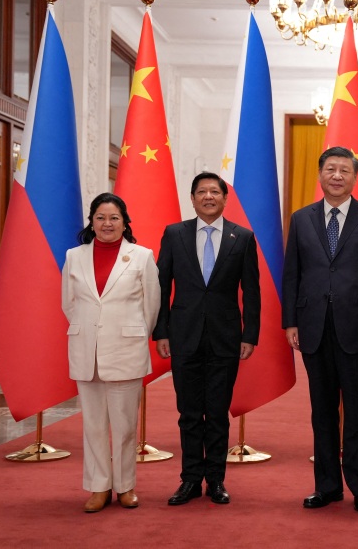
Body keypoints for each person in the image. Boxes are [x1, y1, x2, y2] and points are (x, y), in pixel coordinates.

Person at [282, 146, 358, 513]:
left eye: (344, 170)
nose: (336, 175)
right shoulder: (301, 219)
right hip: (314, 327)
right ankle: (328, 486)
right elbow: (292, 275)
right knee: (322, 412)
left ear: (355, 177)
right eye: (330, 169)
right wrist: (291, 321)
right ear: (320, 175)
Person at [154, 172, 260, 506]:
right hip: (183, 335)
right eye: (202, 191)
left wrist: (250, 335)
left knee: (216, 412)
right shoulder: (175, 234)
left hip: (226, 338)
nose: (209, 196)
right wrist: (161, 331)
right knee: (188, 412)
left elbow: (252, 292)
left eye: (215, 191)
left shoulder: (241, 237)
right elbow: (161, 285)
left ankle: (215, 480)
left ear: (225, 199)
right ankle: (189, 480)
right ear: (192, 197)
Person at [61, 193, 160, 513]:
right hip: (86, 349)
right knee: (92, 425)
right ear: (92, 221)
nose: (107, 223)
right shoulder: (74, 256)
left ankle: (125, 486)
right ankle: (98, 487)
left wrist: (129, 331)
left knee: (125, 425)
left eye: (114, 218)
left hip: (125, 349)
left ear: (124, 222)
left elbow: (151, 307)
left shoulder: (142, 256)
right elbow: (70, 304)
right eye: (101, 217)